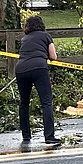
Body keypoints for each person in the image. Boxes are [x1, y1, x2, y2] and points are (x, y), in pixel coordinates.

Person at [16, 15, 61, 146]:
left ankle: (26, 135)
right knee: (46, 102)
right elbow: (53, 56)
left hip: (21, 69)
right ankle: (49, 136)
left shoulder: (24, 38)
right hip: (39, 68)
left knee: (24, 102)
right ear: (41, 25)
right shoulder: (45, 36)